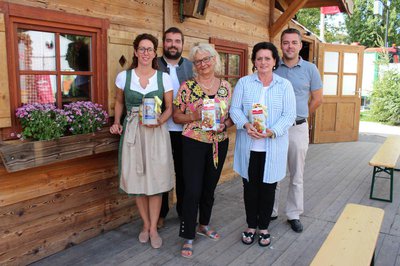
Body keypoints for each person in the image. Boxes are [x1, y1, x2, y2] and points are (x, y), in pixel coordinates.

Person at [109, 33, 174, 249]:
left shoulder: (163, 77)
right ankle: (145, 225)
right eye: (142, 49)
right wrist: (117, 121)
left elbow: (170, 108)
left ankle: (154, 227)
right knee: (138, 181)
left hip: (156, 132)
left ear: (155, 52)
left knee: (155, 182)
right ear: (135, 52)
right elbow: (119, 101)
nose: (146, 53)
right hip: (133, 132)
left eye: (150, 49)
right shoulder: (124, 77)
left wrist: (160, 120)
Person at [230, 42, 296, 247]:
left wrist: (271, 131)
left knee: (268, 188)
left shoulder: (284, 85)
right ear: (254, 62)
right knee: (250, 188)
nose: (263, 62)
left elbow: (289, 115)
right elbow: (235, 109)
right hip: (248, 146)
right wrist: (246, 124)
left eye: (268, 58)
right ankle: (251, 226)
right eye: (259, 58)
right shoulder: (244, 83)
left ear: (275, 61)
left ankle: (264, 227)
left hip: (272, 146)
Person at [173, 43, 233, 258]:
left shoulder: (226, 86)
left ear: (214, 59)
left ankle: (204, 224)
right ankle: (188, 234)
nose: (203, 64)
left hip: (218, 142)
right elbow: (176, 116)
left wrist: (224, 124)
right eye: (198, 61)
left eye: (206, 59)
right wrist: (194, 116)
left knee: (209, 188)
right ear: (194, 65)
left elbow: (232, 116)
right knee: (192, 190)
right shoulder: (187, 87)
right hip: (193, 142)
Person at [272, 28, 323, 233]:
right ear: (281, 45)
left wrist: (301, 114)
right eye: (286, 42)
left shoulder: (310, 69)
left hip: (297, 128)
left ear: (300, 45)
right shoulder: (274, 68)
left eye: (294, 42)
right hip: (275, 129)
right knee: (274, 172)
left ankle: (293, 214)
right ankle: (270, 210)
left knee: (297, 174)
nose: (290, 46)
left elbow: (318, 99)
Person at [157, 27, 193, 228]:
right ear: (164, 43)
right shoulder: (154, 65)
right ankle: (161, 212)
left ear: (182, 44)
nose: (173, 44)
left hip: (185, 129)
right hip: (160, 128)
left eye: (177, 41)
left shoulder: (190, 66)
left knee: (184, 172)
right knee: (161, 171)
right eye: (169, 40)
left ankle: (183, 211)